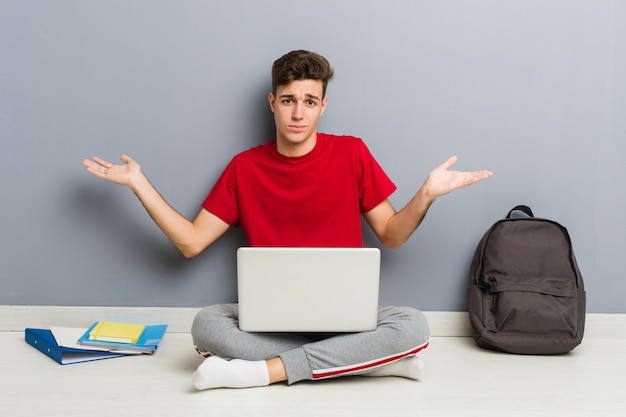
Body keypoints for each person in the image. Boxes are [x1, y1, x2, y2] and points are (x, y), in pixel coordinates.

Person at [83, 50, 492, 390]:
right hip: (274, 323)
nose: (299, 113)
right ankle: (370, 364)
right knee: (206, 325)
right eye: (289, 100)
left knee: (414, 325)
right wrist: (139, 182)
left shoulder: (352, 154)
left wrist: (426, 194)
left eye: (310, 102)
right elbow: (190, 241)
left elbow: (393, 234)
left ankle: (262, 373)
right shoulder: (244, 168)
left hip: (345, 321)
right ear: (273, 102)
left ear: (323, 106)